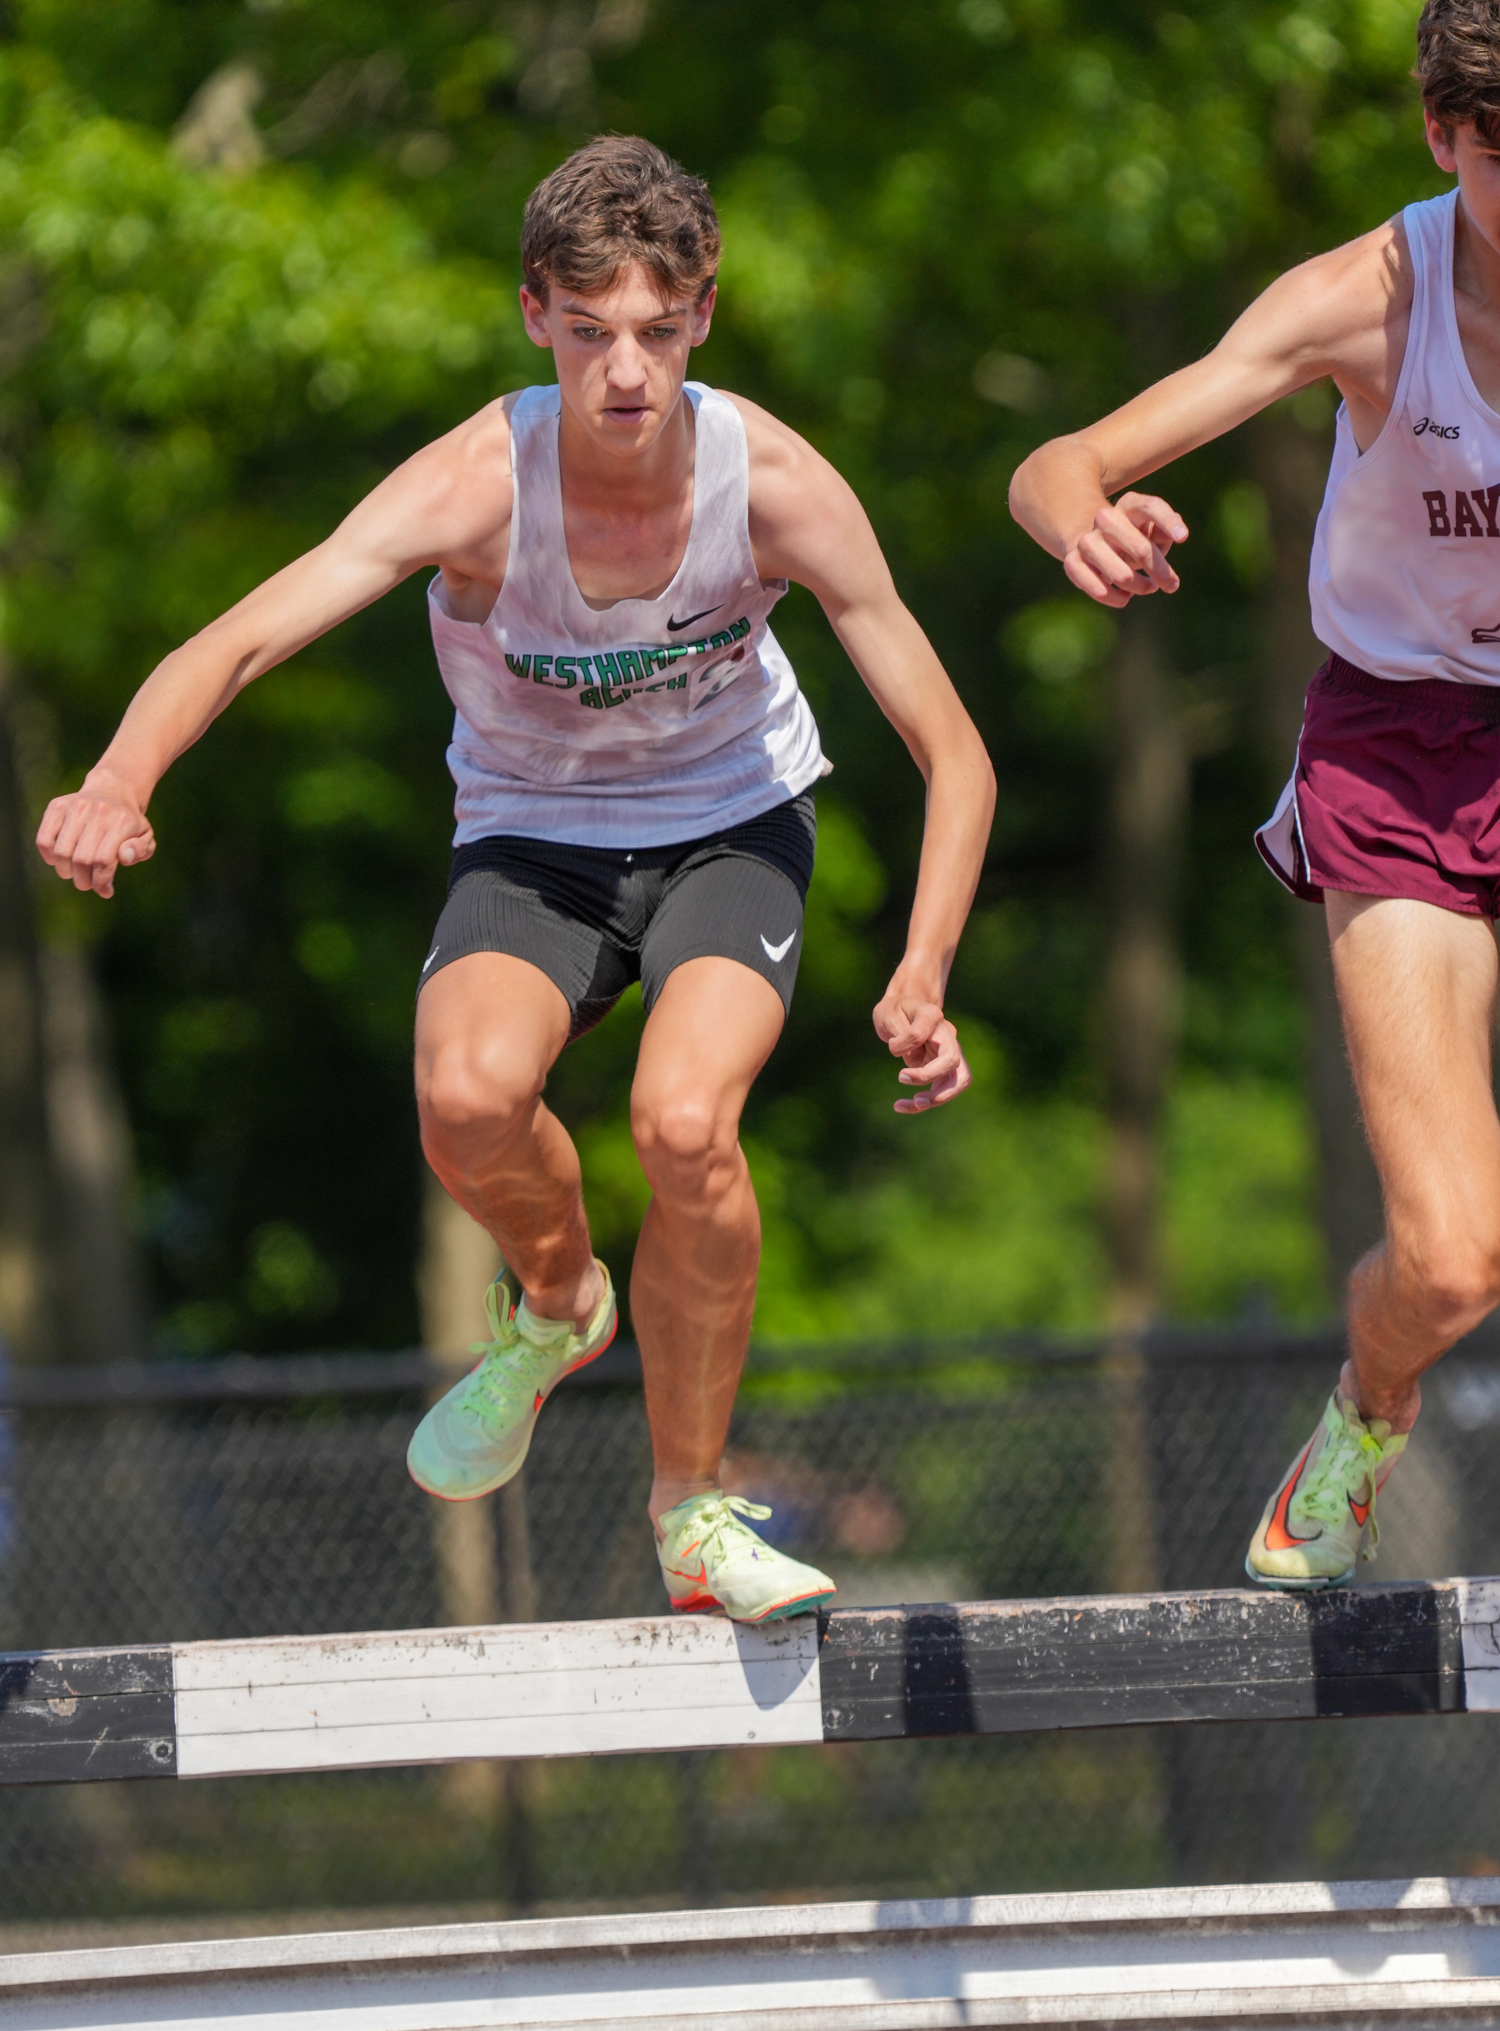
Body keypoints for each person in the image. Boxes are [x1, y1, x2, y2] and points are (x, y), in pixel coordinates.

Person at [36, 136, 995, 1625]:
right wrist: (116, 780)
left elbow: (955, 751)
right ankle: (558, 1305)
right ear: (535, 314)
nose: (628, 373)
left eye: (660, 333)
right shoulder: (476, 485)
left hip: (729, 826)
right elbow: (236, 637)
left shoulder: (779, 485)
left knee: (686, 1125)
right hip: (534, 837)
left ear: (704, 320)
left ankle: (692, 1511)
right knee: (468, 1099)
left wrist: (924, 971)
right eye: (593, 331)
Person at [1009, 0, 1500, 1592]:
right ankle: (1366, 1412)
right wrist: (1081, 520)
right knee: (1450, 1256)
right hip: (1407, 756)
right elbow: (1060, 461)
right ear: (1444, 139)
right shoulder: (1369, 300)